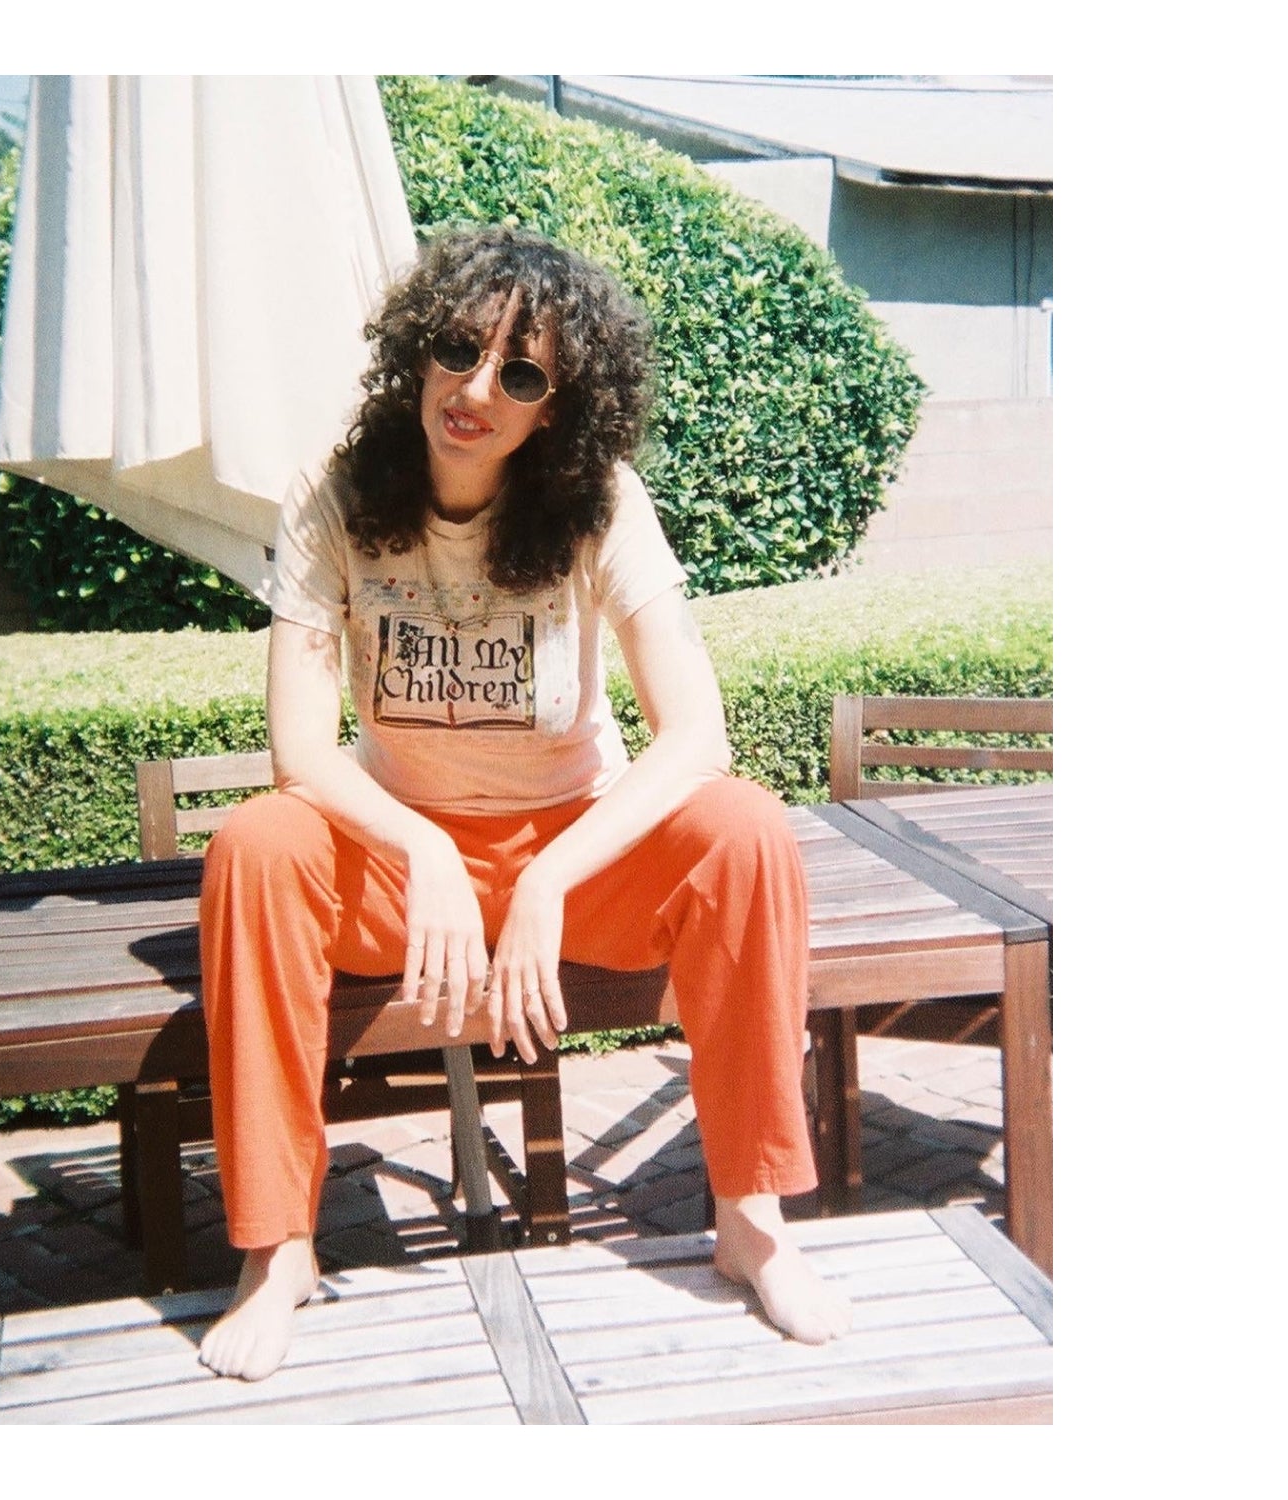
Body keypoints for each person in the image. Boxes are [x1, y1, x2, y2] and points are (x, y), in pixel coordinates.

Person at [193, 224, 852, 1381]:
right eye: (459, 350)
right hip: (406, 872)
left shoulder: (598, 499)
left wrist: (547, 874)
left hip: (572, 859)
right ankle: (277, 1248)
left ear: (558, 405)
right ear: (418, 352)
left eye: (524, 372)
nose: (478, 389)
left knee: (745, 828)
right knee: (255, 845)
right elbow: (300, 747)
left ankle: (752, 1221)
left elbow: (696, 731)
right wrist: (426, 851)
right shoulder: (337, 496)